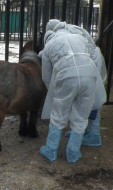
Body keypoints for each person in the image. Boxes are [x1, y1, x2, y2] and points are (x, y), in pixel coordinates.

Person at [38, 22, 106, 163]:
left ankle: (51, 150)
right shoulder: (78, 37)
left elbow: (46, 76)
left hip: (66, 77)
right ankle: (73, 152)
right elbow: (93, 56)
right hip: (89, 75)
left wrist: (53, 90)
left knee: (58, 114)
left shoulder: (49, 46)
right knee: (81, 115)